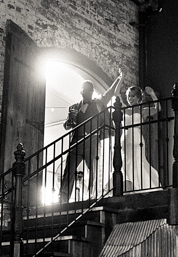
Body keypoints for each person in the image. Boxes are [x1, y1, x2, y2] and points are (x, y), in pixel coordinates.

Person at [60, 70, 123, 202]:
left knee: (93, 171)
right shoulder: (73, 107)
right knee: (68, 170)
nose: (90, 92)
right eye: (87, 90)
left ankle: (92, 198)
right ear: (81, 91)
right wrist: (71, 118)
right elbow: (67, 126)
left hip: (92, 141)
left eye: (91, 90)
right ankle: (63, 200)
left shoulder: (98, 103)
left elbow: (109, 93)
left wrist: (119, 78)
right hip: (76, 143)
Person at [121, 85, 160, 191]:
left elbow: (158, 108)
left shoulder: (142, 110)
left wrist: (152, 94)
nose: (130, 98)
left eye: (132, 96)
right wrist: (122, 77)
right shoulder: (124, 109)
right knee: (126, 162)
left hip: (137, 138)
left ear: (138, 98)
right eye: (129, 96)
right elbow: (115, 94)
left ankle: (140, 187)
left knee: (138, 161)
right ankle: (127, 187)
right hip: (125, 138)